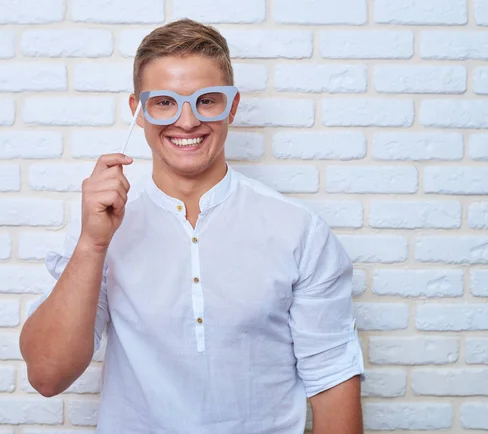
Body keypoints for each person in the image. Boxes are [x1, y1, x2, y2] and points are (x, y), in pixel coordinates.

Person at [20, 18, 365, 434]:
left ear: (233, 106)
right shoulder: (99, 229)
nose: (186, 122)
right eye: (164, 102)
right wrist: (93, 246)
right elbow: (47, 374)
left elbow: (331, 380)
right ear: (138, 112)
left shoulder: (300, 231)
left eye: (207, 100)